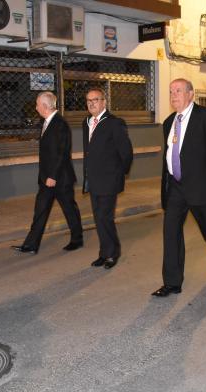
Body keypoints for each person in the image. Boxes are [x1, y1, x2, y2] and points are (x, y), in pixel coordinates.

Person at [152, 78, 206, 297]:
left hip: (203, 188)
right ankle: (172, 282)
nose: (173, 95)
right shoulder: (169, 122)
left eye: (178, 91)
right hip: (176, 187)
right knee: (171, 233)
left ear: (191, 94)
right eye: (170, 92)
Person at [12, 91, 83, 254]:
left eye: (37, 105)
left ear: (44, 106)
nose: (36, 108)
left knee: (69, 209)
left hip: (59, 178)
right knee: (40, 210)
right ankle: (31, 244)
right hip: (46, 179)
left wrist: (53, 176)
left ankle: (77, 239)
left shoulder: (60, 124)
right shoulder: (46, 122)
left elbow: (61, 153)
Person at [82, 88, 133, 269]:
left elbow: (126, 152)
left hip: (109, 180)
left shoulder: (115, 123)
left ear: (104, 102)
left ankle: (113, 253)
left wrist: (119, 174)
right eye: (88, 100)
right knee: (99, 218)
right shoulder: (87, 122)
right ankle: (104, 253)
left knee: (105, 217)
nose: (91, 103)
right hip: (93, 179)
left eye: (95, 99)